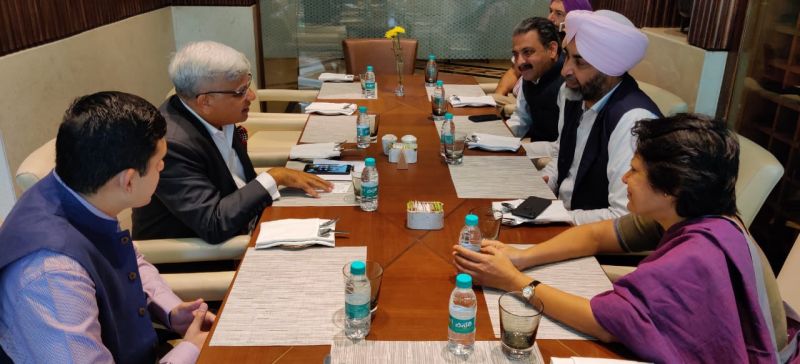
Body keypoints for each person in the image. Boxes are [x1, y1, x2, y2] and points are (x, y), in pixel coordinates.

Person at [454, 114, 800, 363]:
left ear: (672, 188)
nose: (624, 178)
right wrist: (522, 256)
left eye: (635, 170)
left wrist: (515, 281)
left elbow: (606, 324)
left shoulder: (698, 253)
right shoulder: (686, 211)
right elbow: (595, 236)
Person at [0, 92, 214, 363]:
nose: (163, 167)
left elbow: (127, 257)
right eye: (159, 162)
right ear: (128, 181)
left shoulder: (78, 191)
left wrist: (170, 310)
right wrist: (191, 349)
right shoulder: (52, 274)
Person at [133, 41, 332, 244]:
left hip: (247, 224)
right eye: (241, 91)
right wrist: (274, 177)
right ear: (205, 101)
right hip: (201, 258)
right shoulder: (172, 145)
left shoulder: (216, 115)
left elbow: (239, 182)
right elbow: (213, 224)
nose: (252, 96)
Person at [540, 10, 662, 224]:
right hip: (562, 217)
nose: (565, 70)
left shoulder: (632, 120)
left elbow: (624, 218)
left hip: (595, 243)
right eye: (567, 55)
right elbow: (561, 158)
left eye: (580, 62)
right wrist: (543, 185)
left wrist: (553, 216)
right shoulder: (575, 94)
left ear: (611, 68)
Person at [494, 0, 592, 97]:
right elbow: (514, 72)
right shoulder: (540, 37)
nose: (550, 18)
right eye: (550, 11)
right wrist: (499, 95)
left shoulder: (578, 53)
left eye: (558, 13)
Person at [504, 17, 564, 142]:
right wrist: (498, 138)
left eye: (528, 52)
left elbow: (564, 147)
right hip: (536, 149)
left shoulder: (568, 83)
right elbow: (522, 117)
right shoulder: (530, 73)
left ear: (552, 50)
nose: (519, 62)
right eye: (516, 54)